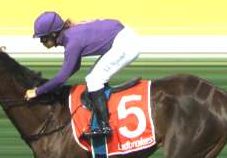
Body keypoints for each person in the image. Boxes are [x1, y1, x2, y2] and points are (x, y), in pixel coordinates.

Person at [24, 11, 143, 139]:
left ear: (53, 34)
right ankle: (103, 102)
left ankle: (104, 127)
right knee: (92, 77)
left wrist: (37, 92)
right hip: (123, 35)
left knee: (94, 80)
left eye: (43, 38)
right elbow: (74, 67)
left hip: (126, 44)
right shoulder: (70, 35)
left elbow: (62, 77)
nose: (41, 42)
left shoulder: (72, 43)